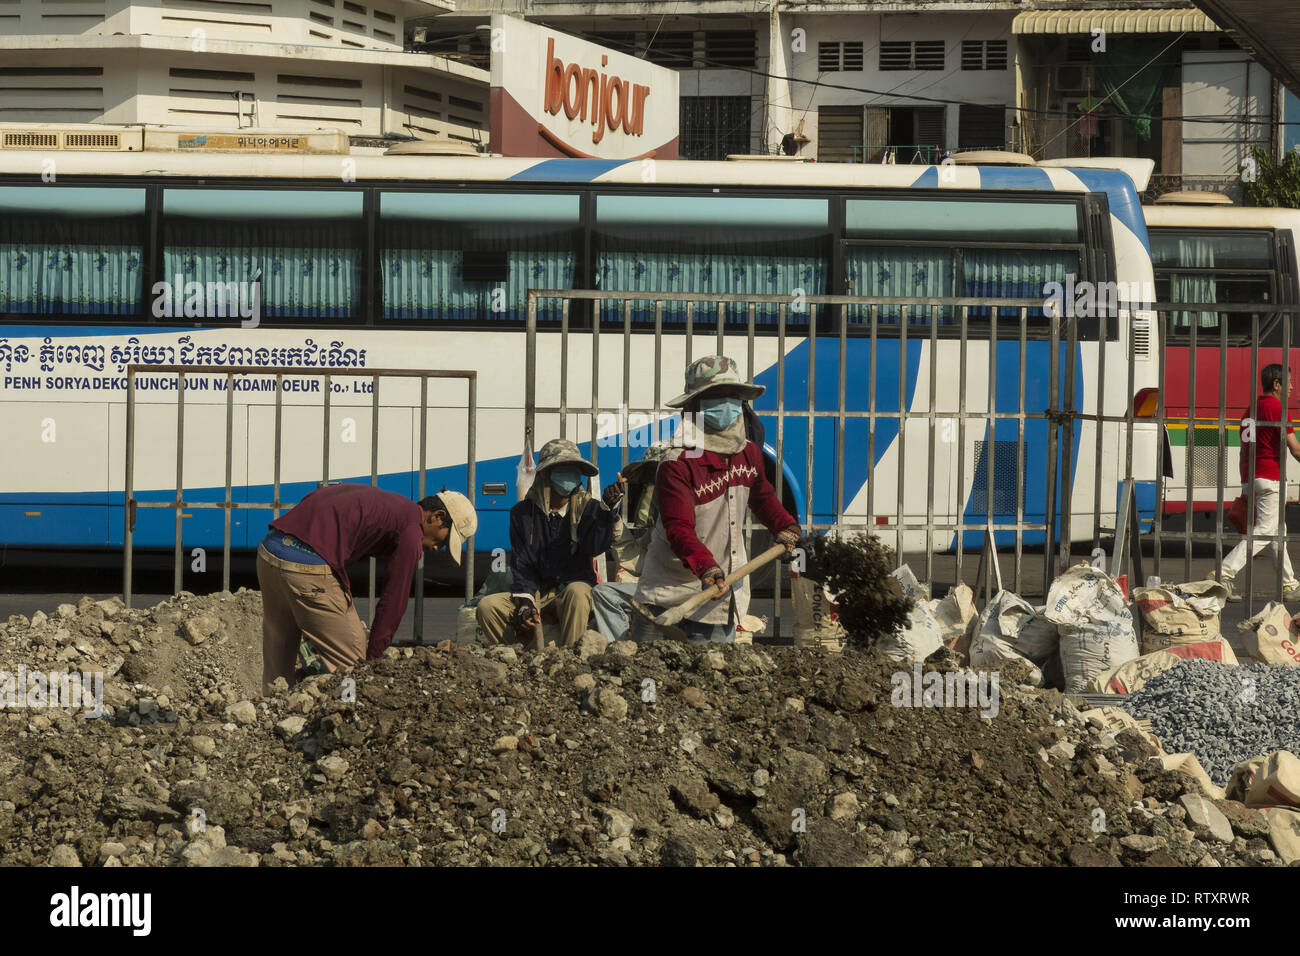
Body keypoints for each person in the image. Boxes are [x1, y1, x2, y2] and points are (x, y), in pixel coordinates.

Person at [633, 355, 801, 643]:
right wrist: (706, 566)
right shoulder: (678, 462)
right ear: (694, 406)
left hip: (719, 598)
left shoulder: (748, 452)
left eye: (732, 396)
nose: (726, 403)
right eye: (715, 397)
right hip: (668, 593)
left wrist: (785, 525)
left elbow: (762, 496)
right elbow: (678, 527)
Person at [257, 484, 477, 693]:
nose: (439, 548)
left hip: (270, 550)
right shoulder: (412, 533)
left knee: (279, 654)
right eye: (445, 540)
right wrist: (372, 663)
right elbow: (393, 602)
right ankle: (344, 718)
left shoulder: (389, 504)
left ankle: (269, 712)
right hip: (305, 566)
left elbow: (318, 500)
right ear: (437, 516)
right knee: (352, 662)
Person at [476, 438, 616, 648]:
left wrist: (606, 512)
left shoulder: (590, 509)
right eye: (562, 468)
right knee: (487, 606)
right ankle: (518, 658)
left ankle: (569, 657)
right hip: (537, 593)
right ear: (545, 475)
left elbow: (594, 546)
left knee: (578, 591)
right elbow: (523, 564)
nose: (569, 475)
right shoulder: (522, 514)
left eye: (573, 469)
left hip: (570, 591)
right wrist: (526, 601)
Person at [1218, 363, 1300, 601]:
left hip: (1251, 476)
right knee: (1264, 531)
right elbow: (1295, 449)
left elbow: (1247, 448)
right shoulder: (1277, 409)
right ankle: (1224, 573)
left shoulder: (1251, 409)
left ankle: (1289, 584)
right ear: (1277, 384)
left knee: (1277, 531)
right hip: (1271, 478)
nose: (1293, 388)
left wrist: (1247, 483)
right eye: (1290, 383)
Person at [590, 441, 671, 642]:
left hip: (685, 595)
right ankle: (619, 653)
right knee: (604, 593)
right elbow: (636, 560)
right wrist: (612, 516)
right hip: (657, 591)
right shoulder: (659, 523)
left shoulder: (689, 513)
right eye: (651, 478)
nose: (653, 486)